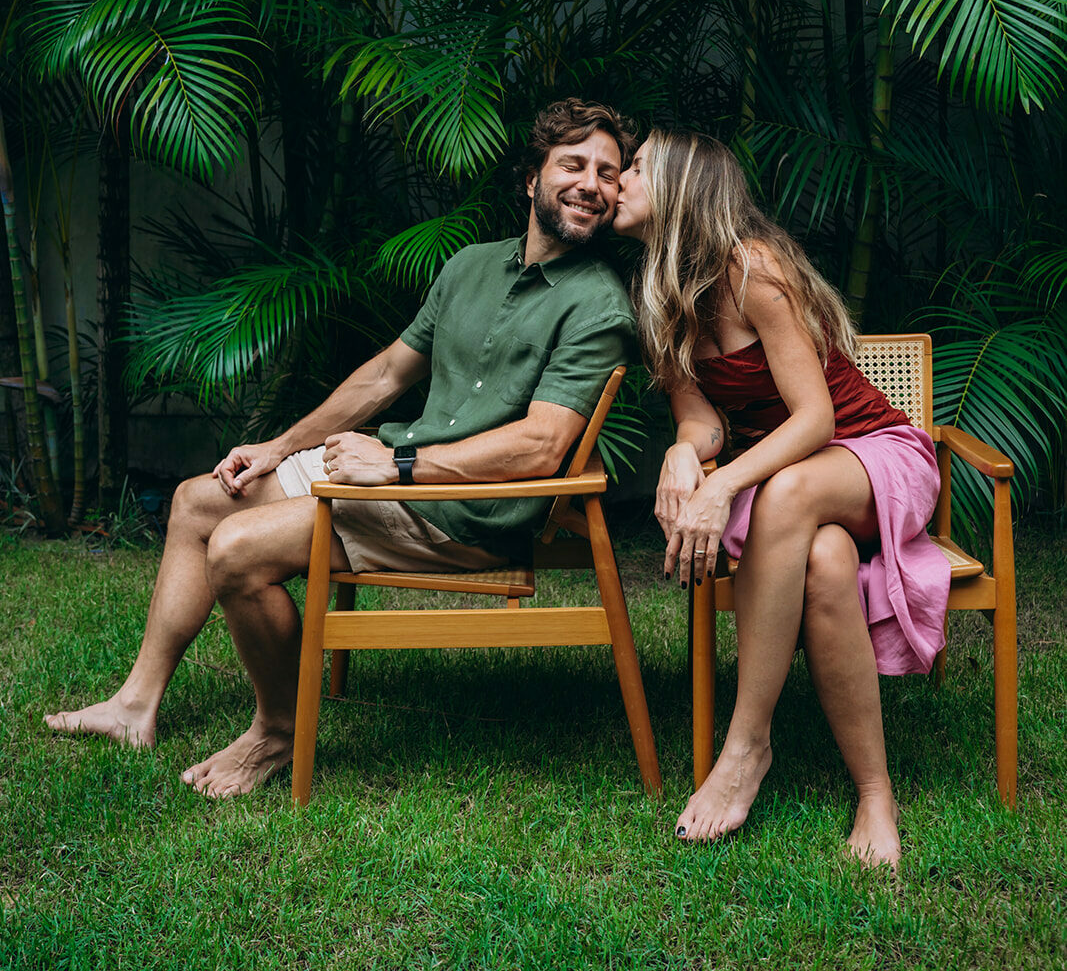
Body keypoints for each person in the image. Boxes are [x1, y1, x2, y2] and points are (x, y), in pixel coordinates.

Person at [46, 98, 637, 797]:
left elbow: (541, 445)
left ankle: (275, 732)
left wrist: (397, 465)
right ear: (532, 178)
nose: (590, 184)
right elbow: (387, 374)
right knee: (197, 501)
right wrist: (279, 445)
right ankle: (133, 705)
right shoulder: (470, 266)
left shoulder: (598, 305)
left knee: (236, 549)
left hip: (463, 511)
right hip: (401, 477)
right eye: (572, 164)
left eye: (608, 173)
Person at [613, 130, 950, 867]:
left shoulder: (752, 269)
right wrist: (682, 451)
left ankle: (746, 746)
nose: (619, 180)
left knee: (790, 493)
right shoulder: (659, 299)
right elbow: (701, 421)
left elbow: (815, 419)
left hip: (874, 457)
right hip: (789, 488)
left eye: (635, 167)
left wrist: (722, 482)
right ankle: (875, 793)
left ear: (679, 185)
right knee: (824, 561)